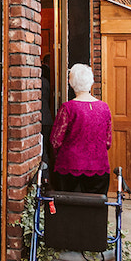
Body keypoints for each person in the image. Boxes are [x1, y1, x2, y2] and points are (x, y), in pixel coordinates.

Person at [50, 63, 112, 194]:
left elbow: (56, 141)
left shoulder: (68, 108)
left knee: (70, 211)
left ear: (71, 83)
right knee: (94, 210)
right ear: (91, 82)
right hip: (98, 167)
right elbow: (108, 142)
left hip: (70, 167)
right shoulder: (104, 108)